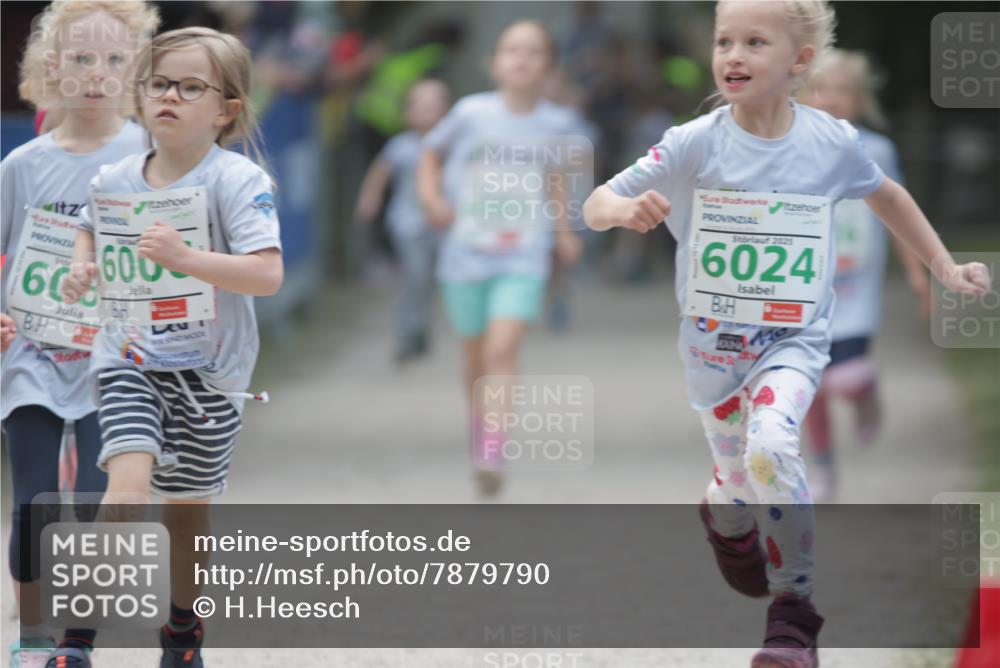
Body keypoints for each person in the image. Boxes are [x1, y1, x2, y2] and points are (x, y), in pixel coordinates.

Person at [582, 2, 991, 666]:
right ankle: (726, 517)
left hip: (792, 343)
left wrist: (941, 265)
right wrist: (626, 209)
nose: (733, 55)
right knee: (735, 483)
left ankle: (793, 618)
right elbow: (596, 200)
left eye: (754, 42)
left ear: (800, 61)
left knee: (773, 445)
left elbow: (886, 195)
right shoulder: (697, 140)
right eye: (724, 41)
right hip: (714, 353)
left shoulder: (830, 143)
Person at [55, 26, 283, 668]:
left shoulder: (237, 181)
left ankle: (182, 632)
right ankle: (76, 641)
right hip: (128, 360)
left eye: (190, 87)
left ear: (226, 109)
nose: (170, 97)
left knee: (185, 515)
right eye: (158, 84)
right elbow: (88, 229)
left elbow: (267, 274)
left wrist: (186, 258)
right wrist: (81, 266)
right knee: (125, 491)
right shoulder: (116, 177)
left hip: (212, 376)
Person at [0, 2, 159, 666]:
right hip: (33, 358)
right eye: (82, 58)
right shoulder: (22, 167)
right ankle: (33, 636)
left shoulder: (149, 155)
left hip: (115, 358)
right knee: (35, 501)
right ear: (52, 66)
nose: (98, 74)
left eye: (115, 60)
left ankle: (76, 643)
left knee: (97, 503)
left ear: (135, 71)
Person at [418, 20, 583, 496]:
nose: (522, 59)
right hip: (465, 253)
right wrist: (431, 199)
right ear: (494, 62)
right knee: (474, 357)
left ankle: (493, 446)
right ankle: (480, 428)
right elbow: (430, 153)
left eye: (533, 52)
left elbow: (556, 178)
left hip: (523, 254)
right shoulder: (470, 113)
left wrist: (563, 230)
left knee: (502, 350)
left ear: (548, 67)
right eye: (512, 50)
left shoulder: (559, 123)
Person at [797, 49, 931, 501]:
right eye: (820, 89)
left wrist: (917, 273)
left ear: (859, 100)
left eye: (842, 90)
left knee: (846, 376)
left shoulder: (876, 150)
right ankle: (825, 470)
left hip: (855, 292)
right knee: (810, 389)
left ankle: (866, 390)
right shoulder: (793, 146)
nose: (830, 98)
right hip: (805, 292)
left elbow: (897, 214)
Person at [354, 79, 450, 363]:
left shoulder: (451, 146)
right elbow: (380, 173)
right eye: (420, 108)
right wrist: (368, 199)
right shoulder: (400, 145)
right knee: (415, 275)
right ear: (407, 113)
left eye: (434, 108)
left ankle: (421, 330)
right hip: (407, 223)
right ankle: (407, 334)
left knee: (432, 280)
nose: (427, 114)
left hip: (443, 224)